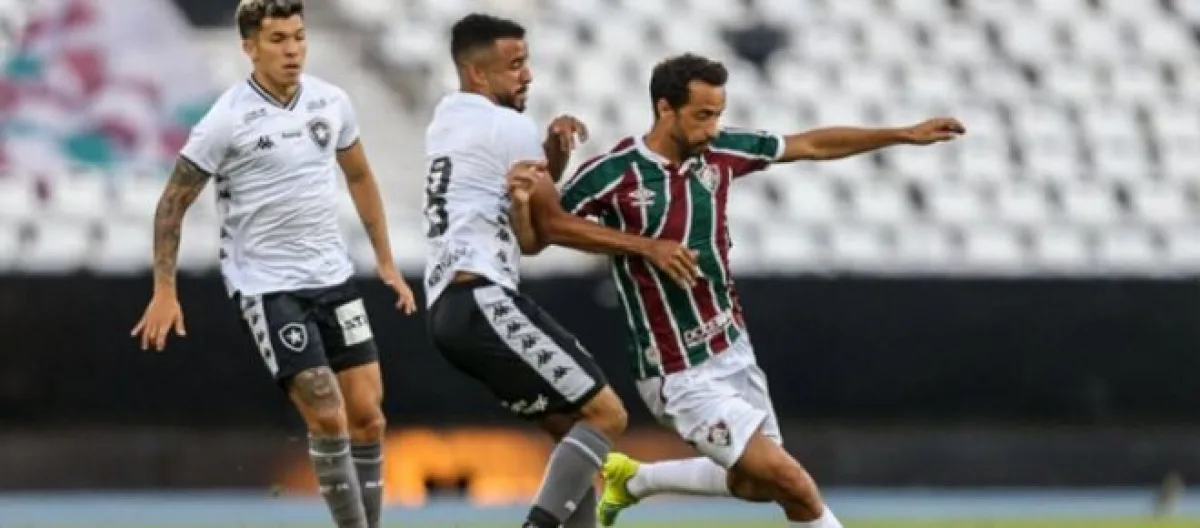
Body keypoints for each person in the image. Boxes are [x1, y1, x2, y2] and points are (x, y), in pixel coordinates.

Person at [524, 53, 965, 528]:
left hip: (733, 350)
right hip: (677, 370)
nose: (712, 128)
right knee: (796, 485)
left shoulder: (720, 153)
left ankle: (637, 480)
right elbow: (545, 230)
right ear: (665, 108)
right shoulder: (615, 173)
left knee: (759, 484)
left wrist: (901, 134)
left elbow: (810, 144)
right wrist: (643, 245)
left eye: (718, 115)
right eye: (702, 115)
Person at [129, 2, 416, 527]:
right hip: (269, 288)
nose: (292, 50)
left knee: (369, 419)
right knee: (327, 415)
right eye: (278, 39)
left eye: (299, 37)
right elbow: (172, 202)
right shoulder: (227, 119)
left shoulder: (332, 101)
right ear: (250, 47)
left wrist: (386, 261)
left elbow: (359, 176)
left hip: (335, 281)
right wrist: (164, 289)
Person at [421, 13, 702, 528]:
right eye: (515, 65)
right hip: (482, 297)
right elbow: (549, 227)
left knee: (575, 430)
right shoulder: (507, 126)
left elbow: (526, 233)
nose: (527, 75)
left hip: (450, 306)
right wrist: (648, 247)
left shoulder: (447, 118)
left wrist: (550, 156)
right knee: (607, 415)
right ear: (478, 74)